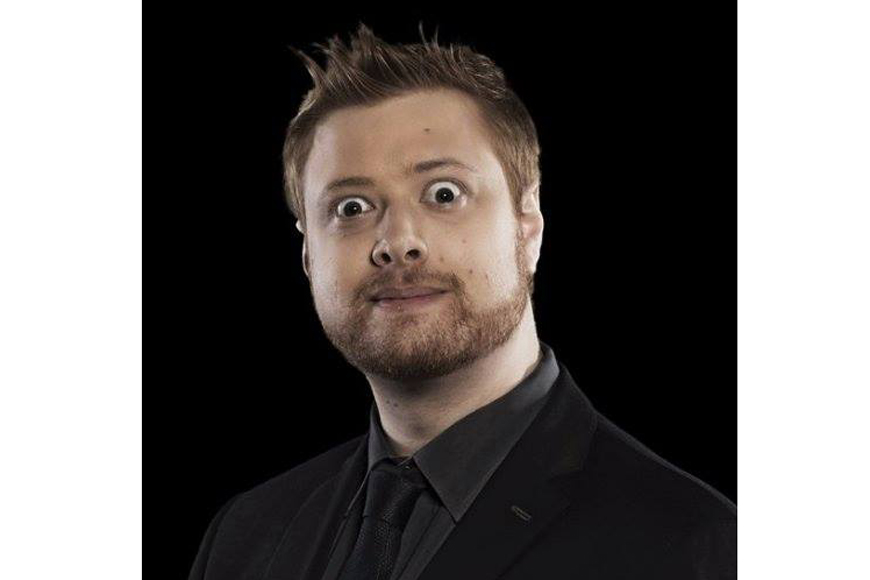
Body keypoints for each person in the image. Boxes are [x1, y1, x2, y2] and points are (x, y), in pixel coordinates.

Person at [188, 23, 736, 580]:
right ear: (308, 253)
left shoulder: (695, 547)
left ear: (528, 225)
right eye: (351, 208)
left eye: (444, 194)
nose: (397, 242)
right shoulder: (245, 535)